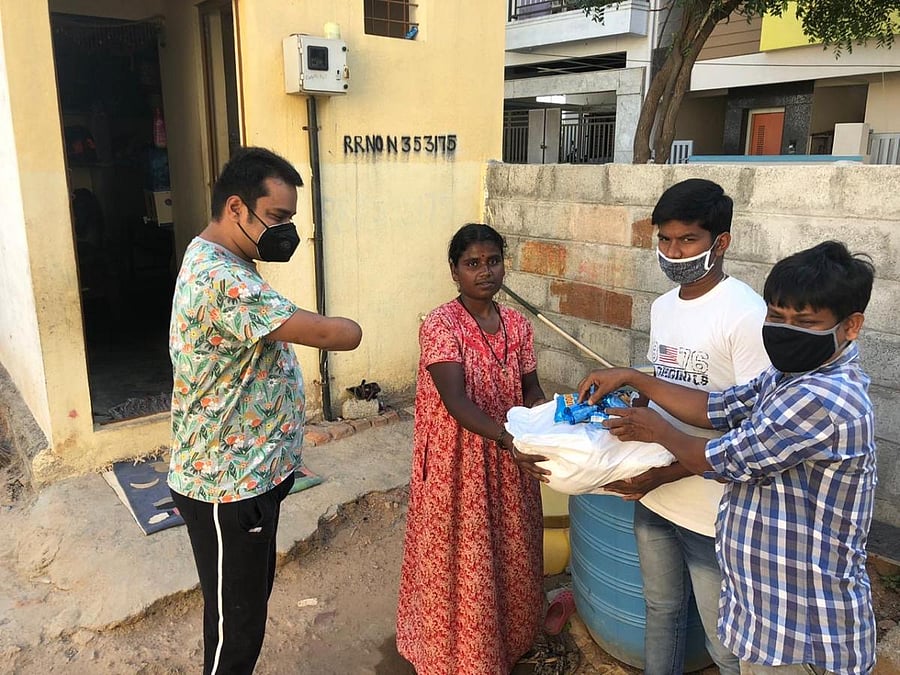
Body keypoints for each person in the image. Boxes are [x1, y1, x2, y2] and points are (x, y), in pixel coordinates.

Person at [579, 240, 877, 675]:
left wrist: (656, 429)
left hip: (803, 630)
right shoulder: (788, 377)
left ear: (851, 326)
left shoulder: (822, 398)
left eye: (805, 322)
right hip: (765, 607)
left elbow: (720, 459)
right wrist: (633, 377)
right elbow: (714, 407)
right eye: (776, 316)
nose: (785, 329)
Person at [167, 146, 362, 675]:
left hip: (247, 476)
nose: (286, 233)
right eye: (276, 218)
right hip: (227, 485)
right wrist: (354, 327)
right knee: (240, 625)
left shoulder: (227, 260)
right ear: (236, 208)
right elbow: (331, 334)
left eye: (291, 220)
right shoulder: (221, 277)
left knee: (235, 609)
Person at [601, 178, 767, 675]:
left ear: (722, 242)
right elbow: (663, 388)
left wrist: (666, 473)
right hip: (654, 500)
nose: (674, 253)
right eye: (664, 240)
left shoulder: (746, 315)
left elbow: (752, 430)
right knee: (662, 613)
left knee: (724, 645)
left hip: (714, 513)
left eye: (688, 240)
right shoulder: (663, 307)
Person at [396, 223, 551, 674]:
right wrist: (509, 439)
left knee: (510, 547)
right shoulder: (441, 325)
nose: (485, 272)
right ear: (454, 271)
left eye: (494, 261)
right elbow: (456, 401)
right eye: (473, 264)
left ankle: (507, 642)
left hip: (509, 458)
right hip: (456, 461)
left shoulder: (518, 325)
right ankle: (454, 656)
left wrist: (559, 419)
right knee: (459, 557)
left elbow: (531, 389)